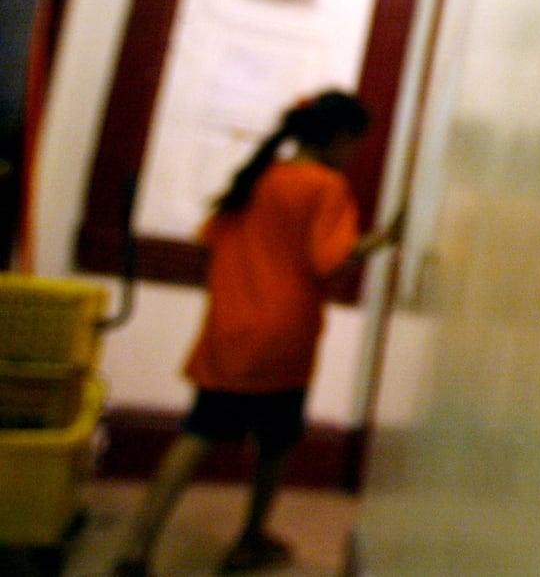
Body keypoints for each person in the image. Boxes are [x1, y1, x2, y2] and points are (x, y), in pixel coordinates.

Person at [114, 91, 403, 577]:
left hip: (229, 331)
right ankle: (248, 540)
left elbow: (213, 241)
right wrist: (387, 238)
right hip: (282, 339)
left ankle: (135, 552)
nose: (355, 155)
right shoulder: (325, 186)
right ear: (338, 139)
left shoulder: (256, 178)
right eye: (356, 144)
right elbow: (330, 257)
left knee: (196, 435)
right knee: (275, 443)